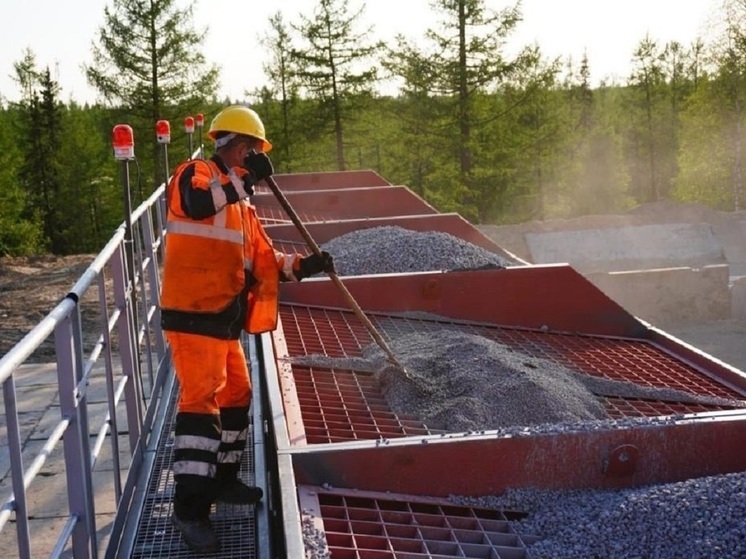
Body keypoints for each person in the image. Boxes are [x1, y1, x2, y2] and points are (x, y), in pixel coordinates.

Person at [159, 104, 334, 554]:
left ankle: (223, 481)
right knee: (202, 407)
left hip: (222, 320)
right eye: (253, 150)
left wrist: (306, 266)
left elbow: (266, 261)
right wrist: (247, 180)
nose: (255, 157)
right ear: (237, 146)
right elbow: (198, 205)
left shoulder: (243, 207)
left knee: (237, 394)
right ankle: (190, 510)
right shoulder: (193, 174)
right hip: (193, 315)